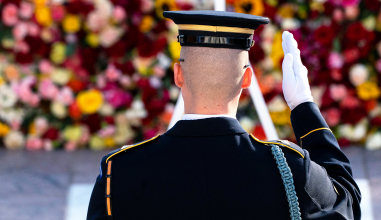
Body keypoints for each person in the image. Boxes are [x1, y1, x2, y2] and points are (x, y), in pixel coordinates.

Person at [87, 10, 361, 220]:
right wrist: (304, 106)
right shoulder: (288, 168)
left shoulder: (119, 171)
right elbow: (347, 205)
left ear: (178, 75)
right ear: (247, 79)